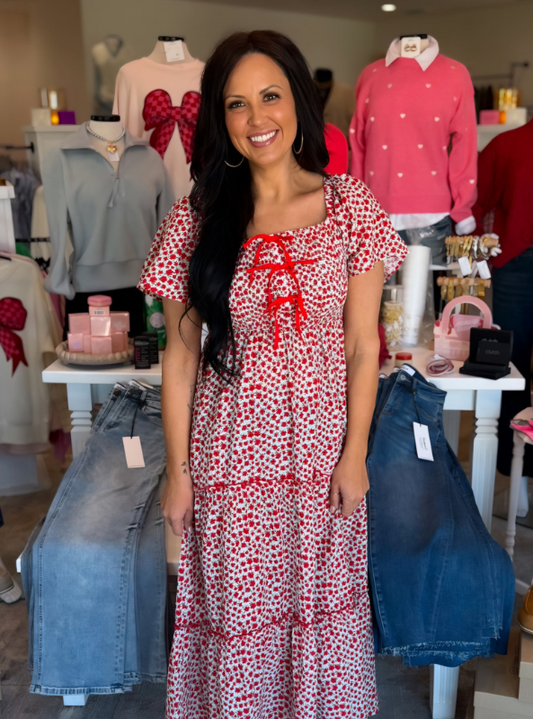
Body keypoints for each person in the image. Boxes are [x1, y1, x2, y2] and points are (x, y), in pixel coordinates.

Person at [138, 30, 407, 719]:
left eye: (270, 97)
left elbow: (360, 346)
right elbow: (179, 353)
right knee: (239, 615)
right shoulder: (195, 221)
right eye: (236, 104)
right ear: (220, 122)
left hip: (322, 459)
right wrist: (177, 470)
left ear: (298, 104)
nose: (257, 119)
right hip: (229, 458)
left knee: (320, 610)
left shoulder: (350, 209)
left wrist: (354, 455)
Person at [473, 119, 533, 516]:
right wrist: (475, 256)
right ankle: (517, 475)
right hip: (517, 264)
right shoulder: (508, 145)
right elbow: (476, 200)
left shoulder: (507, 144)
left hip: (515, 265)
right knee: (512, 369)